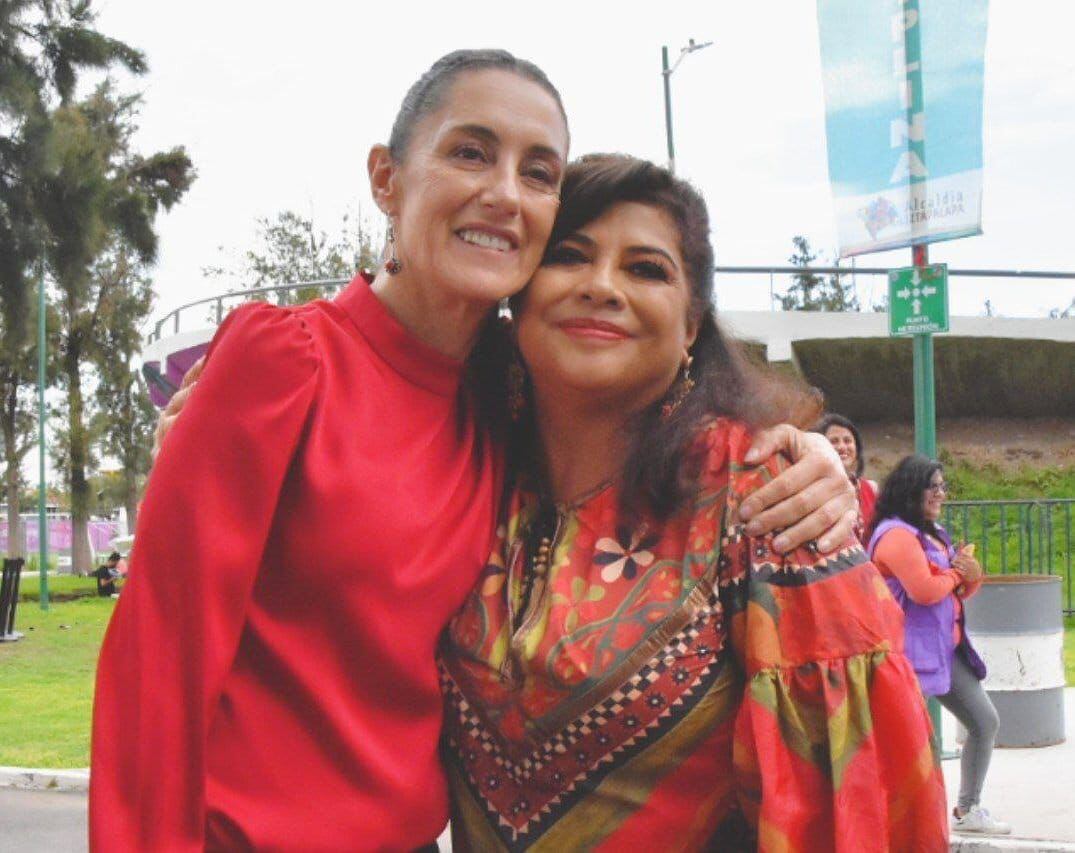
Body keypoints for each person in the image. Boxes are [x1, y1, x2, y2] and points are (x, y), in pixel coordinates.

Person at [94, 52, 857, 851]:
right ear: (386, 179)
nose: (504, 194)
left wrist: (810, 453)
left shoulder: (503, 405)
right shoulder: (286, 361)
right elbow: (158, 665)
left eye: (538, 173)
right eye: (469, 152)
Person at [440, 155, 947, 851]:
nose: (601, 286)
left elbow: (849, 804)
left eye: (646, 269)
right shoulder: (465, 465)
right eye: (568, 256)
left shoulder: (766, 497)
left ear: (690, 327)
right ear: (517, 297)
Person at [868, 454, 1010, 837]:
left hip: (945, 651)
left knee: (984, 722)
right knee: (906, 744)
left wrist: (971, 576)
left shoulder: (933, 532)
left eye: (943, 486)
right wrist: (955, 574)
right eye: (933, 486)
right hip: (907, 658)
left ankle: (967, 809)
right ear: (911, 488)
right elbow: (925, 590)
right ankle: (890, 821)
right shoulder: (896, 535)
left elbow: (953, 590)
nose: (940, 494)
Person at [815, 412, 878, 540]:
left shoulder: (871, 488)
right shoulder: (814, 491)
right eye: (834, 441)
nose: (842, 447)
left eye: (847, 441)